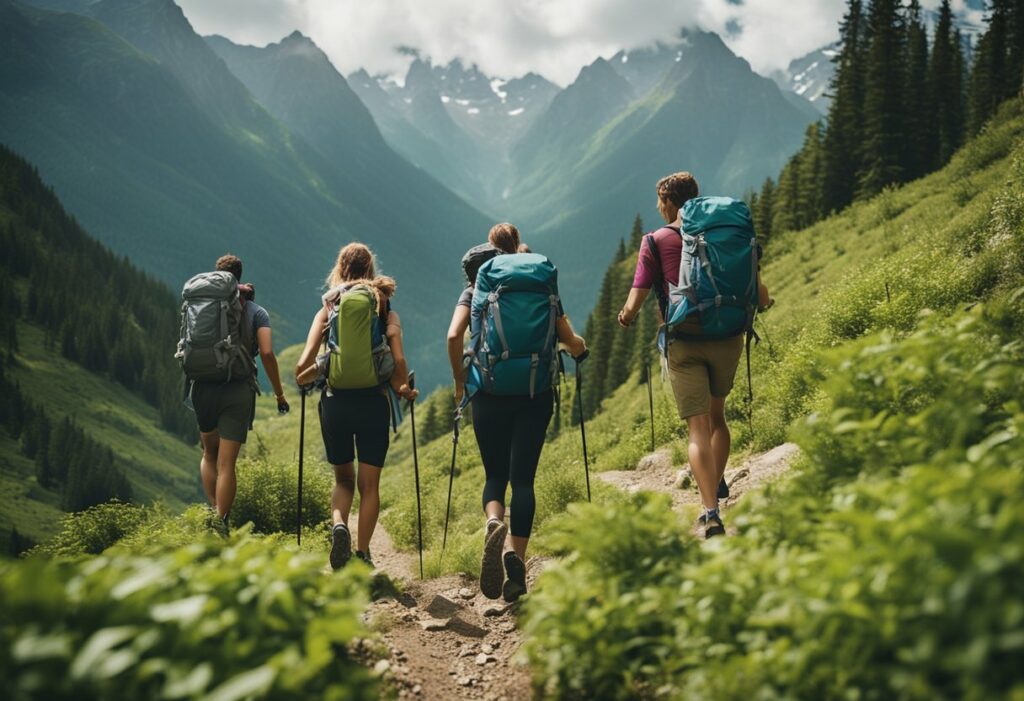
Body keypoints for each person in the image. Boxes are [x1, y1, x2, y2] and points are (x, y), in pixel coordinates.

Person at [616, 173, 771, 538]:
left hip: (684, 340)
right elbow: (760, 293)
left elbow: (635, 298)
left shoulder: (656, 240)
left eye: (659, 201)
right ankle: (715, 483)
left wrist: (626, 316)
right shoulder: (723, 233)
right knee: (718, 418)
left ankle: (710, 511)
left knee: (697, 426)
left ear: (668, 201)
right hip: (729, 335)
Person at [448, 223, 586, 602]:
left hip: (488, 390)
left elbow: (452, 337)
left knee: (495, 475)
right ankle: (516, 562)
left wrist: (461, 384)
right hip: (533, 391)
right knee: (523, 481)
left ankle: (494, 521)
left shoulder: (475, 287)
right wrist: (579, 347)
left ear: (490, 249)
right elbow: (567, 337)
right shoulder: (541, 282)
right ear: (518, 247)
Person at [294, 243, 417, 570]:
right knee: (369, 485)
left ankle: (338, 524)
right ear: (370, 270)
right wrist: (403, 388)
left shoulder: (328, 308)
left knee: (343, 481)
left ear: (341, 269)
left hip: (335, 404)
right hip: (373, 404)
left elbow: (301, 367)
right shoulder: (384, 307)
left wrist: (316, 371)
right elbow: (399, 360)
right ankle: (363, 555)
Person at [193, 254, 290, 536]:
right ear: (240, 275)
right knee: (227, 463)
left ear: (217, 275)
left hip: (202, 386)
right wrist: (279, 394)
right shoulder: (256, 311)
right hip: (237, 389)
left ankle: (213, 513)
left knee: (208, 454)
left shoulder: (200, 306)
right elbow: (268, 352)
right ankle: (222, 521)